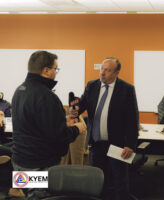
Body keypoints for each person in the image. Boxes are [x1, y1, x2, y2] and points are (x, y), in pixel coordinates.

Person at [11, 50, 86, 199]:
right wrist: (77, 129)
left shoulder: (20, 90)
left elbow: (33, 122)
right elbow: (59, 137)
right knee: (40, 197)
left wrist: (61, 121)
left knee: (27, 194)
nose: (56, 73)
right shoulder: (46, 96)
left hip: (19, 161)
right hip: (39, 165)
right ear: (46, 70)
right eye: (55, 69)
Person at [72, 57, 139, 200]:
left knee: (119, 181)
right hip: (96, 143)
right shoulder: (92, 85)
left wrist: (130, 145)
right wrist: (74, 109)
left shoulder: (126, 89)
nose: (102, 73)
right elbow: (81, 106)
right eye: (101, 68)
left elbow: (132, 120)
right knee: (98, 180)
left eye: (107, 70)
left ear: (116, 73)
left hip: (117, 144)